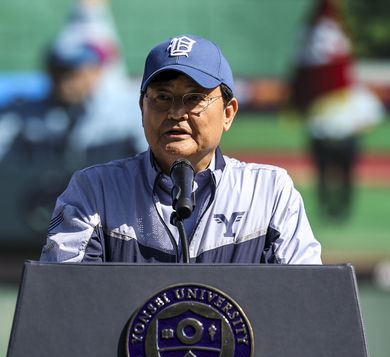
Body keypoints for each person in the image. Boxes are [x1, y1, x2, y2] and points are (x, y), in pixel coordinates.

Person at [40, 34, 322, 264]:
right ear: (142, 109)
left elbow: (304, 302)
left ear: (228, 113)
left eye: (195, 98)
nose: (176, 112)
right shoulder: (94, 191)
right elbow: (64, 302)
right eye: (162, 97)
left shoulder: (269, 192)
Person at [0, 0, 146, 172]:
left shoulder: (125, 114)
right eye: (58, 71)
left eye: (73, 73)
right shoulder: (26, 115)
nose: (65, 81)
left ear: (95, 72)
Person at [290, 0, 384, 221]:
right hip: (322, 137)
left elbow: (372, 113)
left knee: (345, 178)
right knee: (324, 177)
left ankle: (342, 210)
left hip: (345, 138)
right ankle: (328, 209)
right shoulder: (325, 84)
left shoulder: (353, 91)